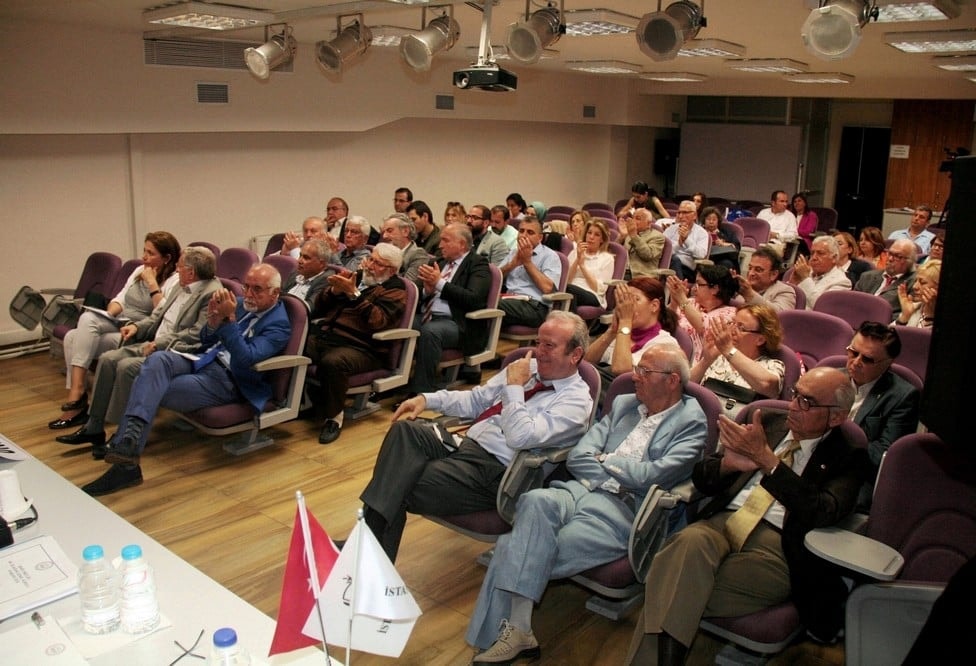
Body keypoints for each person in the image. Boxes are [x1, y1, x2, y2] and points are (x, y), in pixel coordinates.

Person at [467, 345, 706, 663]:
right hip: (579, 489)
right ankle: (520, 631)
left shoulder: (692, 423)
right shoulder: (624, 404)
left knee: (515, 544)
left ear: (672, 380)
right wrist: (611, 470)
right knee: (535, 500)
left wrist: (606, 459)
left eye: (644, 371)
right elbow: (580, 455)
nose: (634, 376)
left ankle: (503, 636)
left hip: (621, 510)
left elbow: (652, 476)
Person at [627, 367, 869, 664]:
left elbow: (823, 511)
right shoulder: (767, 421)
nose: (793, 405)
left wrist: (768, 461)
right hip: (723, 523)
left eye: (807, 402)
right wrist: (728, 466)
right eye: (795, 394)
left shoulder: (849, 454)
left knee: (670, 580)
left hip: (779, 546)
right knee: (687, 543)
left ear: (836, 417)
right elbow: (702, 478)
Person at [359, 311, 594, 562]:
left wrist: (514, 387)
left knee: (398, 478)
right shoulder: (527, 369)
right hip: (464, 446)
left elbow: (520, 437)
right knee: (404, 432)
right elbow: (476, 399)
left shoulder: (576, 402)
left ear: (575, 354)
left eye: (549, 345)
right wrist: (427, 399)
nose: (538, 351)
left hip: (496, 472)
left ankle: (364, 557)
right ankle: (366, 555)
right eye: (538, 342)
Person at [78, 264, 291, 496]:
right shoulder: (239, 304)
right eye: (246, 286)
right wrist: (213, 321)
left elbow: (245, 359)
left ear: (275, 293)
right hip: (202, 360)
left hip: (228, 381)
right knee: (158, 360)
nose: (248, 294)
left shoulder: (279, 325)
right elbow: (207, 340)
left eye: (256, 289)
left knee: (148, 385)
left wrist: (228, 321)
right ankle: (128, 447)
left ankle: (126, 455)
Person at [55, 247, 221, 456]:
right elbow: (157, 316)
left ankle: (122, 435)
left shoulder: (212, 293)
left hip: (176, 351)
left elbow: (196, 334)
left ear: (191, 272)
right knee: (107, 359)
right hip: (153, 342)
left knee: (127, 368)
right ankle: (94, 427)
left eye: (179, 267)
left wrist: (159, 344)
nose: (176, 270)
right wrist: (137, 327)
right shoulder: (181, 286)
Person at [50, 231, 181, 430]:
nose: (144, 257)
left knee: (71, 338)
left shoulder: (174, 280)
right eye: (144, 251)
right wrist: (109, 315)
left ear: (167, 258)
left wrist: (152, 283)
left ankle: (77, 404)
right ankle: (77, 393)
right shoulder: (139, 270)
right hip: (120, 321)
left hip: (140, 332)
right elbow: (120, 298)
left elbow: (164, 314)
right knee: (86, 320)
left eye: (151, 253)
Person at [305, 244, 407, 444]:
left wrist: (354, 295)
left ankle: (334, 418)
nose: (369, 265)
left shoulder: (396, 289)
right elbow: (319, 306)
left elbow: (377, 321)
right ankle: (302, 403)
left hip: (364, 348)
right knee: (293, 346)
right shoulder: (357, 277)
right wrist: (334, 291)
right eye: (370, 259)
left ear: (392, 270)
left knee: (333, 362)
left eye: (378, 263)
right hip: (329, 336)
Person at [408, 224, 491, 395]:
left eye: (445, 240)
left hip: (458, 322)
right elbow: (416, 292)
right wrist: (427, 291)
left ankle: (422, 392)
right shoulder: (438, 261)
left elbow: (473, 299)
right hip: (427, 315)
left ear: (461, 244)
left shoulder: (478, 264)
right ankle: (393, 381)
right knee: (401, 324)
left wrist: (439, 283)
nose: (440, 245)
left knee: (431, 332)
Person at [844, 322, 920, 478]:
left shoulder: (903, 397)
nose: (856, 362)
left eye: (867, 359)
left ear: (888, 363)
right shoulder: (830, 378)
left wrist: (834, 446)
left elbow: (882, 455)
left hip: (856, 473)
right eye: (853, 352)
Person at [691, 304, 786, 411]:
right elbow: (685, 386)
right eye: (732, 323)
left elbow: (766, 384)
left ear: (760, 340)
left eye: (741, 328)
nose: (732, 331)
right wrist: (706, 361)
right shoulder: (719, 357)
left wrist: (728, 350)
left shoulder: (773, 365)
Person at [497, 216, 563, 328]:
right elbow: (495, 279)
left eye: (530, 232)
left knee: (489, 304)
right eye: (521, 231)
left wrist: (527, 262)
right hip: (508, 299)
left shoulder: (550, 256)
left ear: (540, 237)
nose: (524, 235)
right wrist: (512, 265)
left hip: (534, 306)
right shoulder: (513, 252)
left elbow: (548, 289)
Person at [667, 264, 738, 364]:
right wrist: (674, 303)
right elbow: (664, 323)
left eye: (699, 284)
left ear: (714, 289)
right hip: (668, 349)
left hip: (694, 363)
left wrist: (681, 299)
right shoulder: (691, 302)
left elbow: (703, 327)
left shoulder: (730, 314)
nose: (694, 288)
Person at [853, 238, 917, 318]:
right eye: (890, 254)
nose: (890, 259)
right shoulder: (867, 276)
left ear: (910, 261)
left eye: (897, 256)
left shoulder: (914, 283)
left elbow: (906, 314)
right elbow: (853, 302)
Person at [789, 235, 852, 309]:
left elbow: (820, 306)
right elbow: (786, 298)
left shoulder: (842, 282)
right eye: (812, 253)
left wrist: (805, 278)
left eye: (820, 253)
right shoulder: (806, 272)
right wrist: (792, 283)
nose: (814, 258)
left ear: (834, 258)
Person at [566, 219, 615, 310]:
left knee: (568, 291)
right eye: (589, 233)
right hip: (571, 289)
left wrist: (582, 266)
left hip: (593, 294)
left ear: (602, 239)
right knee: (565, 291)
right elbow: (567, 280)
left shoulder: (607, 258)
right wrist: (578, 259)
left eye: (597, 235)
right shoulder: (575, 252)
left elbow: (600, 289)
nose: (591, 237)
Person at [737, 246, 796, 312]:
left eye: (758, 270)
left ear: (773, 274)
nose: (751, 273)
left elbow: (780, 315)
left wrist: (750, 295)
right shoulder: (743, 287)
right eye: (750, 268)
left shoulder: (785, 291)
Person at [664, 200, 709, 281]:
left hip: (687, 269)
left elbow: (701, 255)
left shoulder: (702, 233)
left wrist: (687, 240)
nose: (681, 216)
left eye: (685, 213)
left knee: (675, 260)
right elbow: (663, 251)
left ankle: (678, 287)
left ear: (694, 215)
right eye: (679, 212)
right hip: (667, 265)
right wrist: (678, 244)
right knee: (673, 259)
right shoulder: (670, 229)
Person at [617, 207, 666, 278]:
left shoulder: (657, 236)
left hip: (641, 275)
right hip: (622, 271)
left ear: (648, 224)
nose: (633, 221)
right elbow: (614, 252)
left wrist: (634, 235)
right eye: (633, 218)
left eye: (638, 218)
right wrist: (622, 236)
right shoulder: (628, 233)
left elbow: (648, 255)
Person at [380, 212, 429, 282]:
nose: (384, 236)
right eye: (384, 232)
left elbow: (408, 284)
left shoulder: (418, 254)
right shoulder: (384, 252)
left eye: (389, 231)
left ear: (405, 231)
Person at [282, 238, 331, 306]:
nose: (299, 261)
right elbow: (281, 294)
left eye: (306, 258)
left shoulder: (326, 280)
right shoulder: (295, 273)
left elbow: (310, 307)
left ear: (321, 264)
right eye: (300, 255)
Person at [895, 260, 939, 328]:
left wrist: (930, 315)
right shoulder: (915, 307)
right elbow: (887, 334)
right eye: (916, 281)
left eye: (922, 283)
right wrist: (905, 316)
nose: (914, 287)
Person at [700, 205, 740, 271]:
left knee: (727, 264)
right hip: (702, 258)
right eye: (708, 219)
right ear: (704, 220)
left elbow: (736, 249)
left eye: (714, 219)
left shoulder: (727, 233)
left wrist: (724, 244)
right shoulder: (699, 232)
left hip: (721, 259)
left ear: (718, 221)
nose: (711, 222)